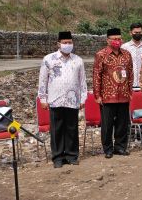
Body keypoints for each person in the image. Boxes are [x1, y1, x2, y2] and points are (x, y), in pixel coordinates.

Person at [38, 31, 87, 168]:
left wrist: (83, 97)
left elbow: (82, 81)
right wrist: (43, 98)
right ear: (58, 44)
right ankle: (58, 157)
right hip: (55, 99)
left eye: (70, 42)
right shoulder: (49, 59)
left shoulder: (78, 60)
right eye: (65, 42)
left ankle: (72, 155)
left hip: (73, 100)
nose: (67, 45)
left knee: (72, 128)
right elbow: (43, 80)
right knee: (57, 129)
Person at [93, 28, 134, 158]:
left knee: (122, 123)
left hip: (123, 95)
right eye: (114, 39)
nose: (117, 41)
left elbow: (130, 73)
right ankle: (108, 149)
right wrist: (97, 95)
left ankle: (120, 147)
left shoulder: (127, 54)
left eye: (119, 39)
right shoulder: (101, 55)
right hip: (107, 95)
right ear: (108, 40)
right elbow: (96, 75)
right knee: (107, 124)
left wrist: (130, 90)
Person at [121, 22, 142, 140]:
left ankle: (141, 132)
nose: (138, 34)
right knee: (129, 109)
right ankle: (130, 133)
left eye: (139, 32)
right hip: (129, 84)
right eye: (135, 32)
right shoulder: (125, 47)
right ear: (130, 33)